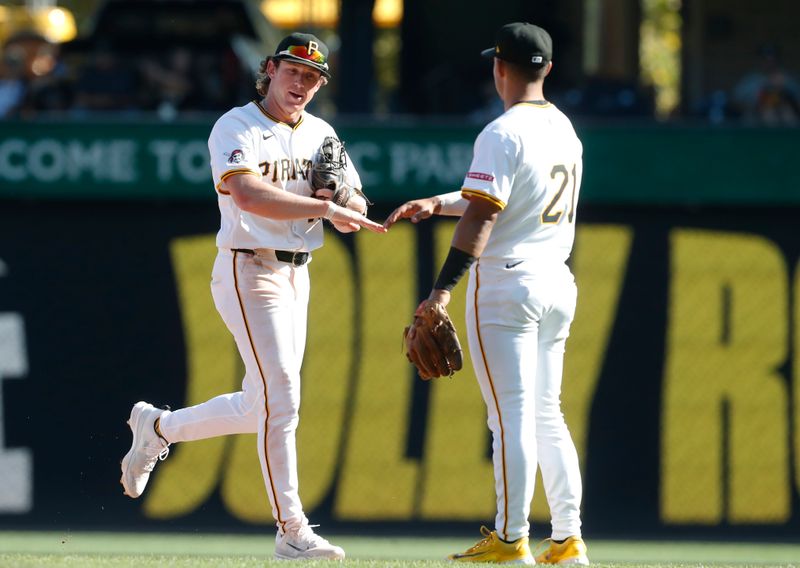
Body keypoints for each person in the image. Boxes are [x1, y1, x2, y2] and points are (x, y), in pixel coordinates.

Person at [120, 32, 386, 560]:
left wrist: (343, 199)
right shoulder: (236, 125)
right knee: (282, 397)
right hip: (248, 268)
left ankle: (158, 426)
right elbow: (245, 193)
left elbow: (353, 194)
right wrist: (325, 210)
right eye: (293, 71)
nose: (302, 84)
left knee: (263, 402)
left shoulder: (322, 132)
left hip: (297, 273)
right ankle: (292, 528)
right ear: (269, 69)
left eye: (312, 77)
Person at [385, 22, 588, 565]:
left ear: (500, 68)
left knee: (509, 416)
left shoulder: (500, 132)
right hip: (556, 280)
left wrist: (441, 291)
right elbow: (498, 197)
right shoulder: (564, 128)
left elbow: (484, 214)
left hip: (507, 281)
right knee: (547, 413)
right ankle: (567, 539)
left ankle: (509, 537)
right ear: (547, 69)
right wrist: (437, 201)